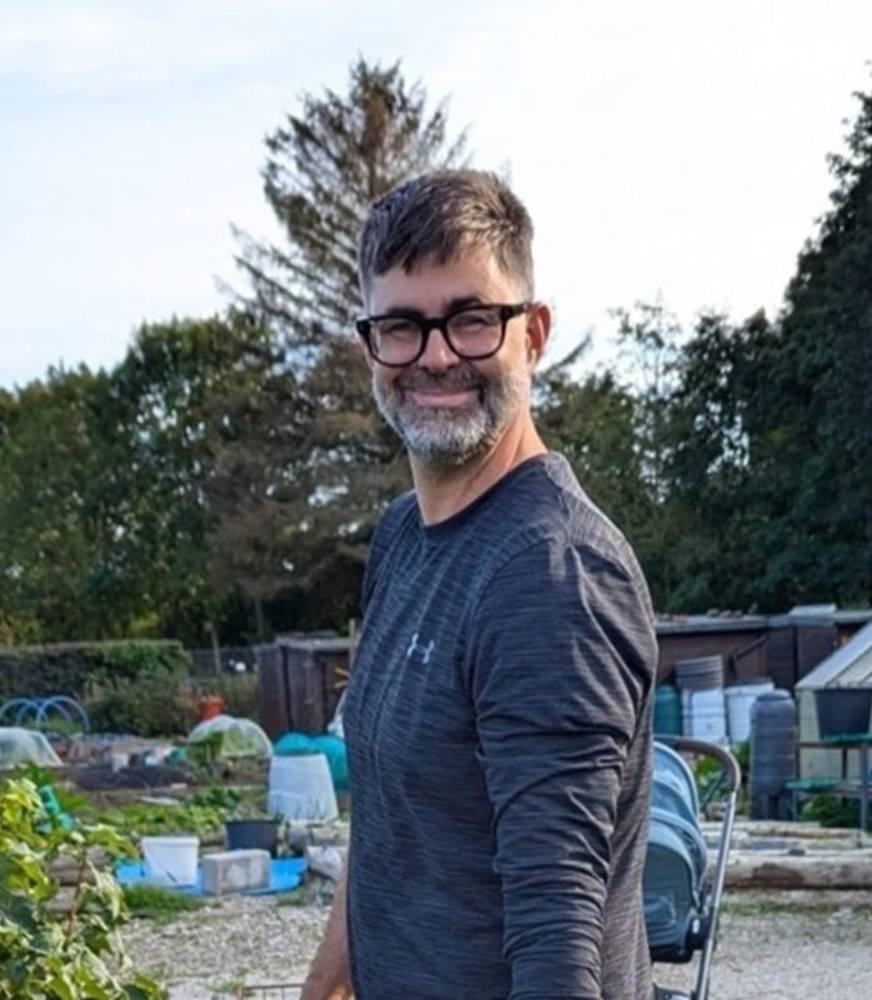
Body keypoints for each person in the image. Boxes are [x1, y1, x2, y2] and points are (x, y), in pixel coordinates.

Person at [301, 169, 658, 1000]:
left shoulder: (551, 576)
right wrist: (325, 985)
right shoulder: (404, 538)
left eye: (470, 319)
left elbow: (557, 939)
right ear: (370, 347)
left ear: (532, 334)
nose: (435, 356)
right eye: (402, 325)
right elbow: (389, 820)